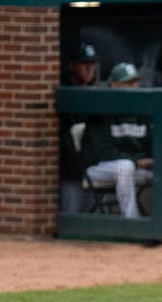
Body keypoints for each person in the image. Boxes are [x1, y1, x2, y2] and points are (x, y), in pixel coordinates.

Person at [80, 62, 153, 219]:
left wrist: (152, 160)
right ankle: (132, 223)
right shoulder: (101, 107)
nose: (134, 86)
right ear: (113, 85)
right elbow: (104, 152)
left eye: (135, 82)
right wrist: (136, 161)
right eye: (128, 83)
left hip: (133, 166)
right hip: (97, 167)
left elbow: (151, 144)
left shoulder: (143, 108)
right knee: (124, 167)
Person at [60, 42, 99, 214]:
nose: (90, 68)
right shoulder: (64, 92)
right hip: (71, 173)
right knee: (72, 213)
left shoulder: (95, 94)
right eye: (85, 64)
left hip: (94, 168)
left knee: (92, 213)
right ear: (72, 65)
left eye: (92, 64)